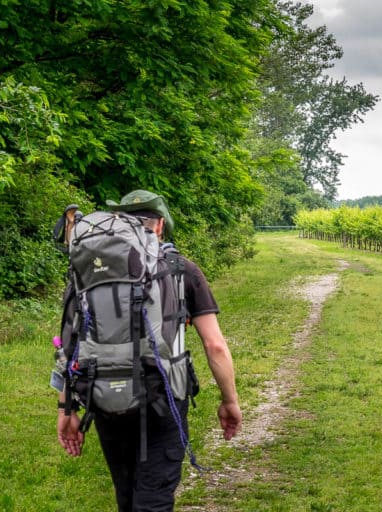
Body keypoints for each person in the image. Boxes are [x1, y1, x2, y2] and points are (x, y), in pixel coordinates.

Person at [56, 190, 242, 511]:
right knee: (154, 498)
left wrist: (66, 410)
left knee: (126, 493)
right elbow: (215, 345)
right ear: (158, 226)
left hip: (105, 399)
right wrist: (230, 401)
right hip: (164, 397)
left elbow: (67, 344)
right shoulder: (180, 268)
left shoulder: (89, 268)